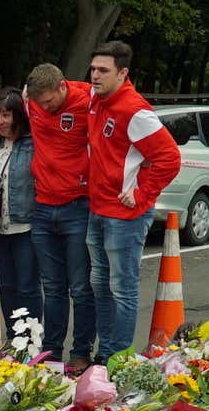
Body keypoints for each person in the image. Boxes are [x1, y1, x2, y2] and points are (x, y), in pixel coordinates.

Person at [85, 41, 180, 362]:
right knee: (100, 284)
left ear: (123, 73)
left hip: (124, 216)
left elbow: (170, 159)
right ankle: (106, 353)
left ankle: (118, 358)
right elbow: (71, 88)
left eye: (103, 71)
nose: (94, 76)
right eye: (93, 69)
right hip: (97, 209)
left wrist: (140, 193)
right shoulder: (97, 100)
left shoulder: (135, 111)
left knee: (121, 289)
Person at [24, 63, 96, 371]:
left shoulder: (88, 101)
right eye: (39, 103)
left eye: (50, 102)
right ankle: (52, 351)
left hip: (77, 206)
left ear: (63, 87)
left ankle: (81, 350)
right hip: (43, 206)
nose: (45, 108)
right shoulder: (32, 101)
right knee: (51, 286)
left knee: (80, 286)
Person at [0, 87, 40, 327]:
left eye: (6, 115)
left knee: (27, 286)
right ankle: (14, 339)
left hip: (26, 226)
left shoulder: (32, 144)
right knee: (5, 286)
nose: (0, 121)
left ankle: (31, 342)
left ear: (19, 115)